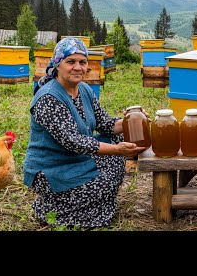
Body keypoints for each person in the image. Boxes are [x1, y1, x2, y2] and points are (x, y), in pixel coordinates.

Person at [23, 37, 149, 229]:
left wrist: (133, 119)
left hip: (77, 160)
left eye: (82, 62)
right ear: (58, 64)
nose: (78, 67)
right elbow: (74, 142)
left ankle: (85, 205)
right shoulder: (48, 98)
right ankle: (51, 209)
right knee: (105, 183)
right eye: (70, 61)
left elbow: (106, 124)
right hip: (52, 169)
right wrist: (117, 150)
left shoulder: (83, 89)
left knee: (119, 138)